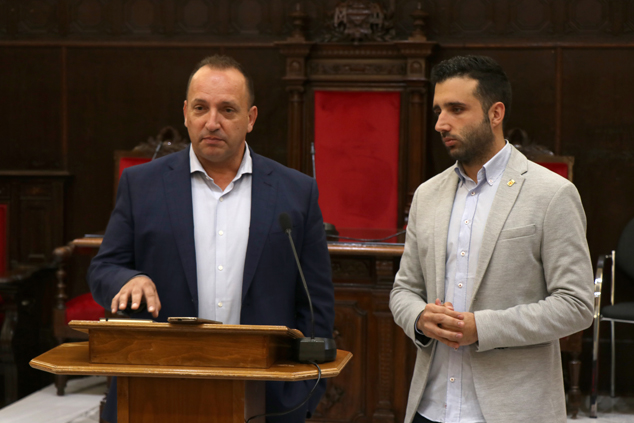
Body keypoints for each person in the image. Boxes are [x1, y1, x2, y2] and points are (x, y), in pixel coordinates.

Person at [88, 55, 335, 423]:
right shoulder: (142, 185)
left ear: (250, 118)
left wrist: (302, 397)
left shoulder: (296, 193)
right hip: (157, 391)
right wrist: (128, 279)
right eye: (201, 108)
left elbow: (316, 305)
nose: (212, 122)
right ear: (186, 113)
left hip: (266, 399)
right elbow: (103, 269)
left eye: (227, 110)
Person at [389, 55, 594, 423]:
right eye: (438, 111)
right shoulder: (427, 195)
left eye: (456, 109)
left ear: (495, 113)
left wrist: (482, 329)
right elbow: (403, 290)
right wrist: (419, 318)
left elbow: (576, 305)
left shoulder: (552, 193)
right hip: (431, 406)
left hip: (511, 409)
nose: (440, 123)